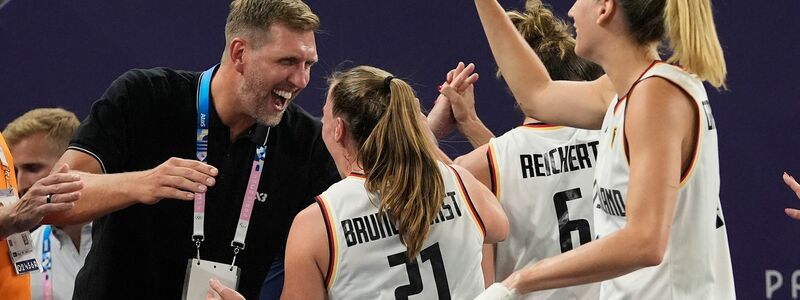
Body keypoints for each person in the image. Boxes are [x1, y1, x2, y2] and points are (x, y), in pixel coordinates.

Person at [45, 0, 340, 298]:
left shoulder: (308, 142)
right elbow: (53, 200)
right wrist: (142, 183)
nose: (301, 80)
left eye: (308, 65)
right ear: (240, 53)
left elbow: (331, 266)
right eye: (287, 62)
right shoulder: (144, 96)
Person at [468, 0, 736, 299]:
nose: (570, 11)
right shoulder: (627, 91)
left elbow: (645, 241)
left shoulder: (655, 96)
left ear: (605, 8)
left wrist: (518, 281)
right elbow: (536, 94)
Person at [274, 65, 509, 299]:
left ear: (338, 129)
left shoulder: (317, 224)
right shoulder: (459, 182)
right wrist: (423, 135)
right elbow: (500, 226)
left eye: (324, 115)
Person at [429, 1, 606, 298]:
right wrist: (470, 123)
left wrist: (425, 133)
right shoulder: (614, 135)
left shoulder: (484, 164)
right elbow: (542, 166)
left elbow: (514, 168)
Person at [3, 108, 91, 300]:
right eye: (15, 171)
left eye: (32, 168)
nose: (20, 185)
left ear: (72, 163)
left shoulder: (128, 237)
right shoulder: (21, 253)